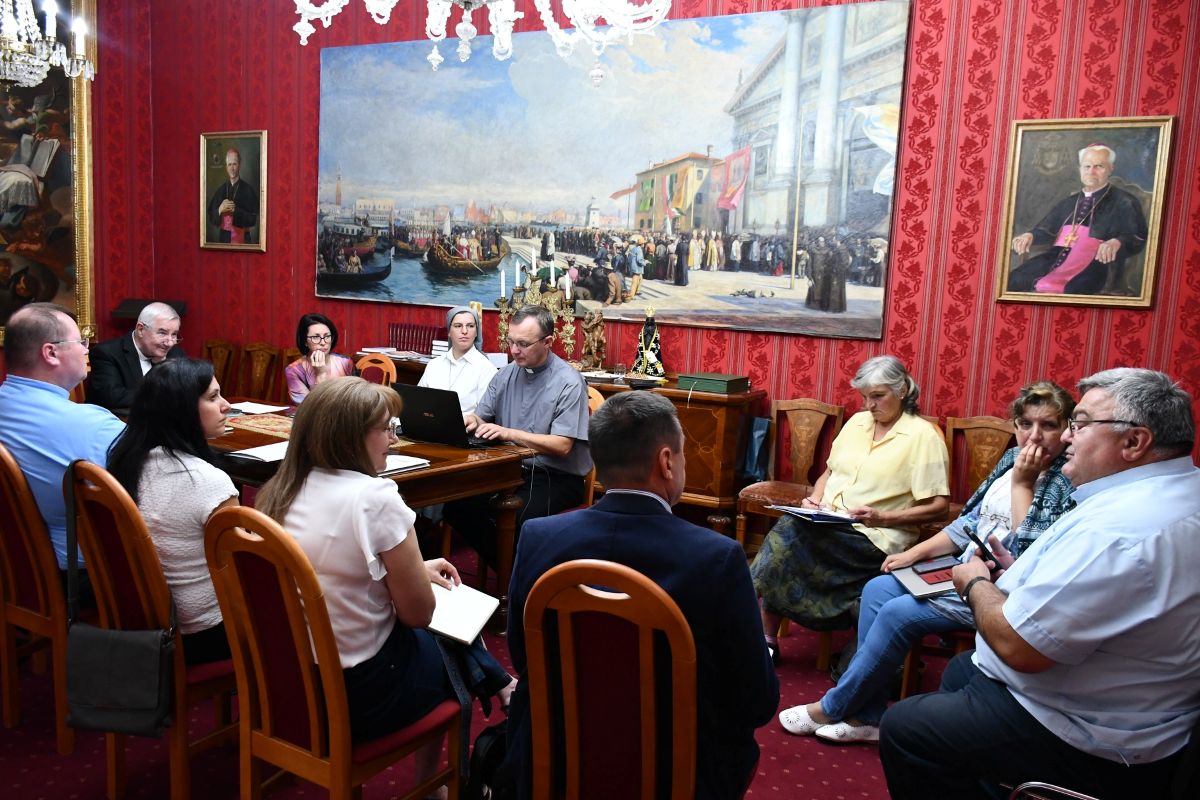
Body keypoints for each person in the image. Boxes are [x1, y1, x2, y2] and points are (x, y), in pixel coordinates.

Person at [879, 368, 1200, 799]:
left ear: (1134, 442)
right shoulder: (1174, 490)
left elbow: (1019, 648)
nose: (1067, 436)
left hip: (1091, 733)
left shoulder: (1119, 530)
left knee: (905, 729)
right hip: (1133, 703)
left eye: (1079, 424)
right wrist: (1018, 572)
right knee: (960, 669)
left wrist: (975, 584)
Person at [505, 392, 780, 799]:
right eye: (683, 453)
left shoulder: (538, 536)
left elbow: (522, 656)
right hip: (676, 774)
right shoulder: (717, 558)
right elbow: (757, 701)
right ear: (666, 462)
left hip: (556, 761)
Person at [778, 381, 1075, 744]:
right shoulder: (1012, 458)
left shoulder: (1066, 477)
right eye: (1026, 424)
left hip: (999, 591)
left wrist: (1022, 484)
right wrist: (913, 553)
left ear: (1068, 430)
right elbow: (968, 524)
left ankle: (832, 706)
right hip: (962, 568)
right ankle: (867, 716)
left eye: (1048, 425)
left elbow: (1032, 553)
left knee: (897, 613)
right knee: (878, 588)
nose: (1035, 436)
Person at [253, 378, 515, 761]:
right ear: (350, 437)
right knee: (450, 637)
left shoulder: (281, 489)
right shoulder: (374, 498)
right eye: (387, 428)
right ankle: (437, 779)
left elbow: (332, 566)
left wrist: (412, 569)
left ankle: (502, 683)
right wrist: (409, 577)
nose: (395, 439)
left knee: (447, 629)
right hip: (358, 695)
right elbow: (418, 615)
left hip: (288, 681)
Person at [751, 355, 950, 659]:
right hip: (828, 521)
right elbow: (829, 473)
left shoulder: (923, 437)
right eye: (865, 397)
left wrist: (882, 517)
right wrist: (815, 499)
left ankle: (760, 632)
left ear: (903, 390)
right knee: (792, 530)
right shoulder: (857, 423)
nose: (869, 405)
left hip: (875, 537)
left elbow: (939, 507)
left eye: (878, 396)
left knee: (789, 538)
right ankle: (764, 636)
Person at [106, 358, 238, 665]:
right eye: (213, 397)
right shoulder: (208, 481)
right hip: (200, 631)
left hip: (142, 619)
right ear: (182, 410)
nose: (227, 405)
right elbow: (238, 574)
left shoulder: (128, 461)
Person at [443, 305, 591, 569]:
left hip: (556, 477)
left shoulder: (569, 381)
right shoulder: (505, 374)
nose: (514, 350)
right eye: (510, 341)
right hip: (509, 470)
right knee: (457, 505)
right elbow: (482, 417)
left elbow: (563, 445)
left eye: (523, 344)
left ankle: (516, 581)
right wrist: (472, 421)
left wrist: (509, 433)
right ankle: (513, 575)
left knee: (518, 519)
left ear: (548, 342)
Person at [0, 303, 125, 572]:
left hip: (15, 571)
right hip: (88, 578)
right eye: (80, 341)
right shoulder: (94, 425)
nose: (86, 349)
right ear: (51, 353)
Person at [1007, 144, 1148, 295]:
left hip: (1097, 264)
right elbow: (1047, 230)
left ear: (1110, 168)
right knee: (1013, 281)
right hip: (1055, 258)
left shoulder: (1125, 201)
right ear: (1080, 169)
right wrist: (1030, 235)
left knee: (1072, 291)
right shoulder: (1070, 201)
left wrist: (1117, 241)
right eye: (1087, 166)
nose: (1091, 172)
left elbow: (1137, 236)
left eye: (1099, 166)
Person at [88, 301, 184, 411]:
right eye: (162, 333)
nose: (170, 343)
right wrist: (164, 396)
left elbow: (186, 390)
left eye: (174, 334)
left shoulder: (175, 353)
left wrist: (162, 366)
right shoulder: (106, 353)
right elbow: (112, 397)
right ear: (141, 330)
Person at [418, 305, 497, 416]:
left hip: (465, 426)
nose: (464, 331)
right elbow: (418, 402)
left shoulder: (486, 369)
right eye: (458, 326)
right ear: (449, 332)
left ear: (476, 332)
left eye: (470, 326)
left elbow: (484, 416)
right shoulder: (434, 364)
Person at [284, 312, 354, 404]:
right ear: (305, 341)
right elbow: (309, 407)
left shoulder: (345, 363)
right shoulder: (294, 371)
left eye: (327, 336)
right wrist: (321, 374)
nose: (323, 342)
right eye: (316, 337)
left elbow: (355, 400)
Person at [205, 146, 259, 244]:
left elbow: (253, 219)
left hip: (243, 238)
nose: (232, 168)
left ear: (239, 165)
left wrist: (236, 211)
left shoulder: (248, 190)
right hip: (224, 237)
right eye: (229, 165)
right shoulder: (221, 190)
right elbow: (211, 216)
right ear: (226, 167)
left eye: (234, 164)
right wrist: (220, 209)